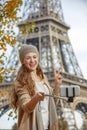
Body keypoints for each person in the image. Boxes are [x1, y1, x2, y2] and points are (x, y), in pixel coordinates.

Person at [10, 44, 62, 130]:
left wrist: (57, 85)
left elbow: (53, 100)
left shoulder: (43, 77)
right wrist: (36, 98)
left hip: (47, 126)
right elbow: (26, 107)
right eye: (28, 58)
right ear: (23, 61)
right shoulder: (20, 82)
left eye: (34, 57)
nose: (32, 60)